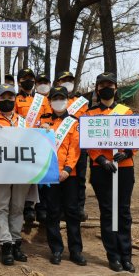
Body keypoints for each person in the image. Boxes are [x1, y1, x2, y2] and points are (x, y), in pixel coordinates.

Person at [87, 72, 136, 273]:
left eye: (110, 85)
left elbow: (136, 138)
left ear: (116, 88)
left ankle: (126, 256)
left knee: (123, 212)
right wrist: (100, 159)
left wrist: (126, 152)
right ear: (97, 89)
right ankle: (113, 256)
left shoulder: (126, 112)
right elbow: (88, 142)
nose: (106, 88)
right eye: (102, 85)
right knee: (108, 212)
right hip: (102, 169)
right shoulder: (90, 114)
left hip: (124, 169)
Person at [0, 84, 30, 266]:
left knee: (18, 207)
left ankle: (17, 242)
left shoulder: (25, 122)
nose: (7, 100)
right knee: (1, 207)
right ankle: (5, 244)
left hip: (21, 172)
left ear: (16, 99)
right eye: (3, 97)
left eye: (11, 97)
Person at [39, 86, 86, 266]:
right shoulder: (44, 122)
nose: (59, 101)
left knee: (72, 212)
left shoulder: (74, 123)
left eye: (62, 98)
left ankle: (75, 251)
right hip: (50, 175)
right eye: (55, 98)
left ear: (67, 100)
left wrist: (67, 169)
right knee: (52, 213)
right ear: (50, 101)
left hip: (69, 175)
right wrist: (41, 130)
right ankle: (56, 249)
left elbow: (75, 149)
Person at [15, 68, 51, 224]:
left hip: (39, 142)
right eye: (25, 78)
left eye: (31, 78)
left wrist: (45, 124)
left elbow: (48, 118)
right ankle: (26, 208)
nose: (28, 81)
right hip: (20, 142)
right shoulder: (15, 99)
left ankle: (40, 209)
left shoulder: (41, 100)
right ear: (19, 82)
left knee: (40, 175)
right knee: (23, 176)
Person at [54, 70, 90, 222]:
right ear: (58, 83)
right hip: (61, 145)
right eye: (64, 80)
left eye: (70, 80)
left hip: (78, 143)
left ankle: (79, 207)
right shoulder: (55, 101)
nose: (68, 82)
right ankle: (60, 208)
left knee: (79, 178)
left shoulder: (81, 102)